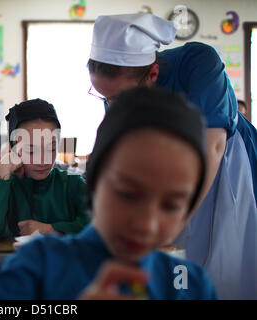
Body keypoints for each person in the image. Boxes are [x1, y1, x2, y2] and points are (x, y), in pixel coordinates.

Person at [0, 87, 217, 299]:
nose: (147, 224)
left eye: (172, 205)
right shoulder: (38, 265)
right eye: (128, 195)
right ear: (96, 181)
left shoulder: (191, 283)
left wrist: (52, 227)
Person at [87, 13, 257, 299]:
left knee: (224, 265)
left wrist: (177, 220)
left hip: (225, 166)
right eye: (103, 97)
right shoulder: (120, 94)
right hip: (172, 169)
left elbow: (213, 146)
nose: (111, 105)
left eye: (115, 98)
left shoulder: (199, 62)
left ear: (152, 75)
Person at [0, 98, 90, 242]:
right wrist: (0, 172)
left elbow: (102, 225)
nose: (43, 161)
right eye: (31, 151)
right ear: (14, 150)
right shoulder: (6, 185)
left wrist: (51, 229)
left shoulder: (73, 184)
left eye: (51, 149)